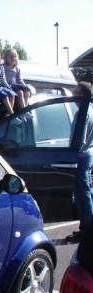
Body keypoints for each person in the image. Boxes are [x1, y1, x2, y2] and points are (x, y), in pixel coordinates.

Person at [66, 81, 93, 243]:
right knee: (87, 191)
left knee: (83, 194)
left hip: (81, 156)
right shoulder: (91, 109)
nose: (72, 96)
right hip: (88, 154)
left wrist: (72, 154)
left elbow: (80, 138)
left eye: (75, 93)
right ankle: (86, 227)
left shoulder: (83, 112)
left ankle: (88, 230)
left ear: (82, 95)